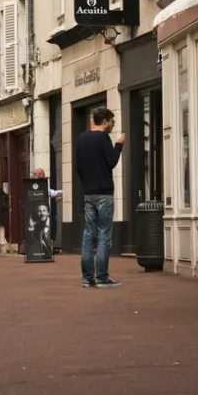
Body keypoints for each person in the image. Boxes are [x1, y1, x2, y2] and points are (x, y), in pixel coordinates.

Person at [75, 107, 125, 288]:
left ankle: (87, 278)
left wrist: (87, 183)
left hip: (88, 193)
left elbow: (78, 167)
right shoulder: (104, 138)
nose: (112, 125)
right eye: (112, 122)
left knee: (88, 235)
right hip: (104, 192)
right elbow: (111, 162)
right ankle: (102, 277)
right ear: (104, 121)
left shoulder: (81, 139)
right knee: (104, 234)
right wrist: (119, 145)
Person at [33, 167, 63, 253]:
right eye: (37, 174)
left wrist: (64, 191)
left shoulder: (44, 184)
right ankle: (41, 249)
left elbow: (52, 193)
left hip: (46, 212)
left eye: (40, 174)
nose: (39, 176)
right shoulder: (33, 185)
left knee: (48, 230)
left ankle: (48, 249)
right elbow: (51, 193)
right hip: (35, 213)